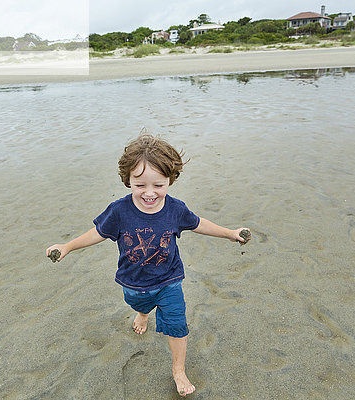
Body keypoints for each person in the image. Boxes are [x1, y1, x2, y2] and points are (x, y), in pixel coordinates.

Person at [46, 133, 250, 396]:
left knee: (177, 323)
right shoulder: (119, 211)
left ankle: (178, 370)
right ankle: (143, 313)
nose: (150, 192)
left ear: (170, 180)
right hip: (134, 283)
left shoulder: (176, 210)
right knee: (139, 304)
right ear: (128, 180)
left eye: (158, 185)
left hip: (169, 280)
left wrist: (230, 232)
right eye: (140, 185)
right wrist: (67, 246)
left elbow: (199, 224)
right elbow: (96, 233)